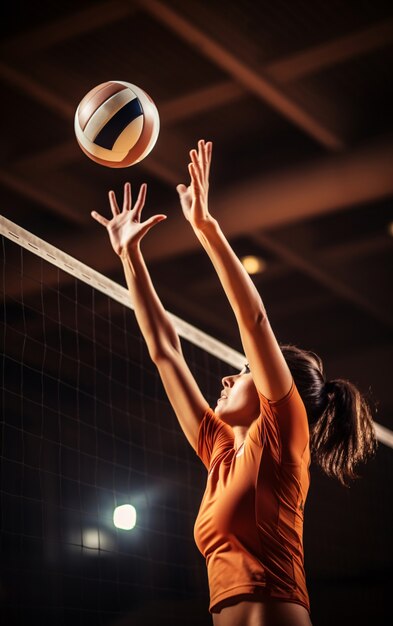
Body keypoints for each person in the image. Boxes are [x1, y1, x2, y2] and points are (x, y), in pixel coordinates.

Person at [91, 140, 377, 626]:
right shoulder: (221, 455)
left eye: (244, 370)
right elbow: (165, 353)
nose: (228, 375)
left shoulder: (284, 436)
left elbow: (256, 321)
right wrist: (129, 256)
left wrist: (206, 227)